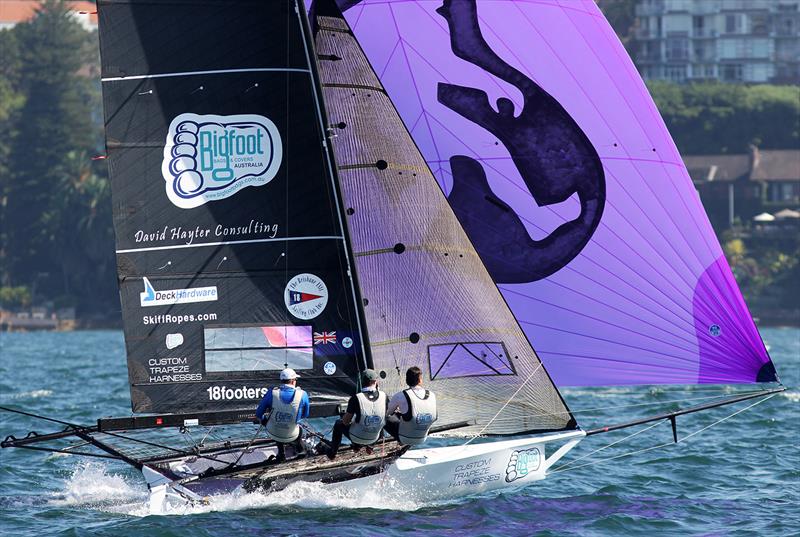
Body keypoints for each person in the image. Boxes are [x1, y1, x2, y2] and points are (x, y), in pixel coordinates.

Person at [321, 369, 387, 460]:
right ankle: (370, 447)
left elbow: (345, 421)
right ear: (375, 382)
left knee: (339, 424)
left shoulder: (356, 398)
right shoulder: (384, 396)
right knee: (380, 419)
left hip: (357, 437)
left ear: (361, 381)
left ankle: (333, 453)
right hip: (375, 438)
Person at [255, 368, 310, 461]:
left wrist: (266, 419)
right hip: (292, 434)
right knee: (297, 428)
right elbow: (305, 415)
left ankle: (281, 453)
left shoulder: (271, 393)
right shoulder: (303, 394)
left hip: (274, 433)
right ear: (293, 381)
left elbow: (258, 414)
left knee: (274, 423)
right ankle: (301, 451)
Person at [384, 366, 437, 446]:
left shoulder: (399, 396)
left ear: (407, 380)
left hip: (405, 438)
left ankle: (371, 442)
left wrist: (398, 411)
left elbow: (387, 413)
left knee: (382, 417)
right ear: (420, 380)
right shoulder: (432, 395)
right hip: (423, 438)